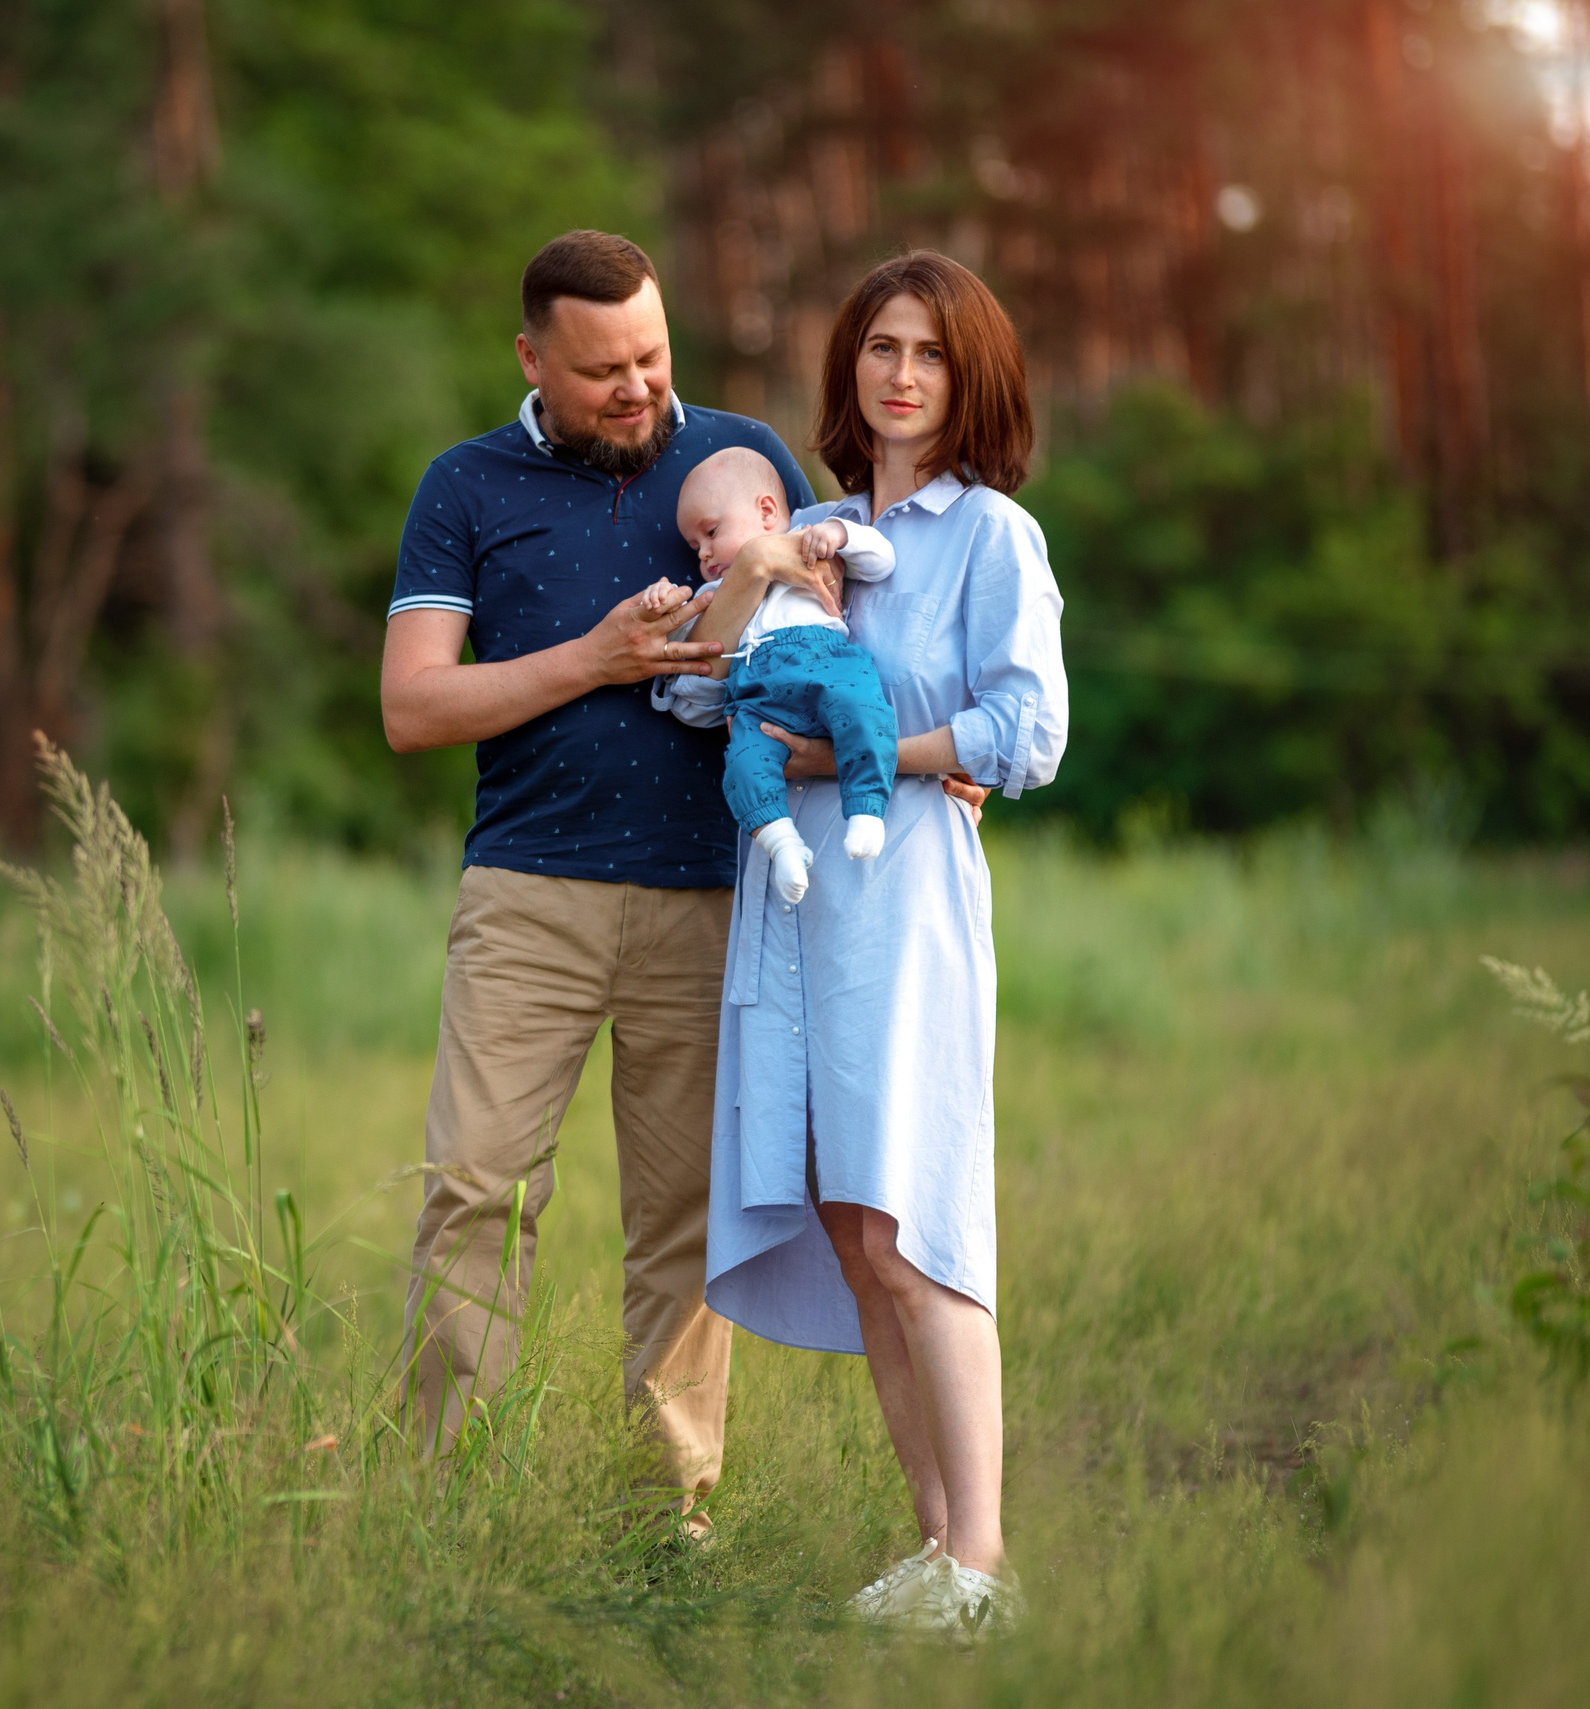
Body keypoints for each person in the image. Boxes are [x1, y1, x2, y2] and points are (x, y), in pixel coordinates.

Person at [380, 229, 845, 1527]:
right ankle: (441, 1499)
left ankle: (671, 1513)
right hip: (527, 896)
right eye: (602, 371)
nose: (638, 387)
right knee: (475, 1189)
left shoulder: (744, 460)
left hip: (715, 896)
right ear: (533, 358)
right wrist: (590, 659)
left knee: (688, 1224)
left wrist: (931, 745)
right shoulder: (463, 486)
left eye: (651, 354)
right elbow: (412, 708)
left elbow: (837, 634)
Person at [688, 250, 1067, 1635]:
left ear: (969, 380)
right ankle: (932, 1550)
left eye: (930, 354)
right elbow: (694, 701)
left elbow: (1027, 733)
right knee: (857, 1236)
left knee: (921, 1232)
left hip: (904, 905)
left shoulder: (990, 540)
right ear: (849, 366)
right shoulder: (812, 526)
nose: (901, 375)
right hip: (792, 924)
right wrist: (755, 577)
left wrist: (869, 756)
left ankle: (985, 1561)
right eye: (880, 348)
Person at [651, 447, 902, 905]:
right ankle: (783, 844)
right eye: (695, 547)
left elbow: (882, 558)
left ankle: (867, 807)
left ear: (766, 511)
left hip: (823, 659)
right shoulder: (718, 592)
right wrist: (664, 601)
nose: (705, 553)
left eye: (711, 532)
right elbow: (688, 669)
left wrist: (838, 533)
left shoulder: (811, 543)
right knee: (744, 762)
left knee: (863, 711)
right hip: (755, 694)